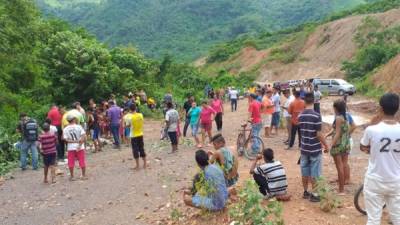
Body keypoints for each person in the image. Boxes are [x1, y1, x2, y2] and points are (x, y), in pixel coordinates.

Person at [360, 93, 400, 225]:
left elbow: (363, 147)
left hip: (375, 180)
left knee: (373, 219)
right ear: (397, 109)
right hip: (396, 181)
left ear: (381, 109)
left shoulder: (371, 130)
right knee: (397, 218)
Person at [298, 92, 328, 202]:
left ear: (304, 102)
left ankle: (305, 192)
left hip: (304, 148)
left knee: (305, 171)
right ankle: (315, 194)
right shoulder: (316, 116)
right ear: (314, 101)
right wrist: (326, 145)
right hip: (315, 149)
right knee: (315, 172)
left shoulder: (300, 115)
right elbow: (319, 134)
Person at [324, 99, 351, 194]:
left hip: (339, 145)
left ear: (336, 108)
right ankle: (342, 187)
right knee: (343, 165)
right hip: (346, 144)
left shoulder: (338, 118)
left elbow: (338, 133)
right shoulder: (345, 116)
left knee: (339, 167)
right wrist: (327, 134)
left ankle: (341, 190)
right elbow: (337, 129)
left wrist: (331, 145)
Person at [63, 115, 87, 181]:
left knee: (71, 162)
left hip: (70, 147)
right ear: (73, 119)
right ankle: (83, 175)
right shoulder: (79, 127)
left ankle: (72, 176)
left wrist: (74, 141)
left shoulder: (65, 129)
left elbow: (65, 139)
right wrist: (79, 144)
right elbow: (83, 136)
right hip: (80, 147)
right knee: (82, 161)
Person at [129, 104, 147, 169]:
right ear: (136, 108)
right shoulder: (140, 115)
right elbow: (142, 122)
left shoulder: (130, 117)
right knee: (141, 148)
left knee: (135, 150)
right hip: (140, 134)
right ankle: (145, 163)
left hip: (133, 135)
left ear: (130, 110)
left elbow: (128, 125)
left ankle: (137, 165)